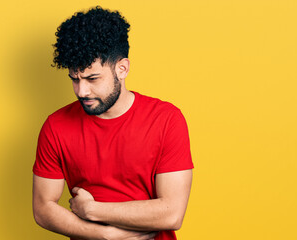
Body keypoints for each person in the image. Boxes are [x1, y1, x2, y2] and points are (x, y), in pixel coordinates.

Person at [32, 6, 194, 240]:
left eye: (92, 78)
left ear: (122, 68)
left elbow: (172, 214)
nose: (81, 91)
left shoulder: (166, 119)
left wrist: (92, 209)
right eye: (74, 80)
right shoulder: (55, 126)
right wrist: (105, 235)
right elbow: (43, 209)